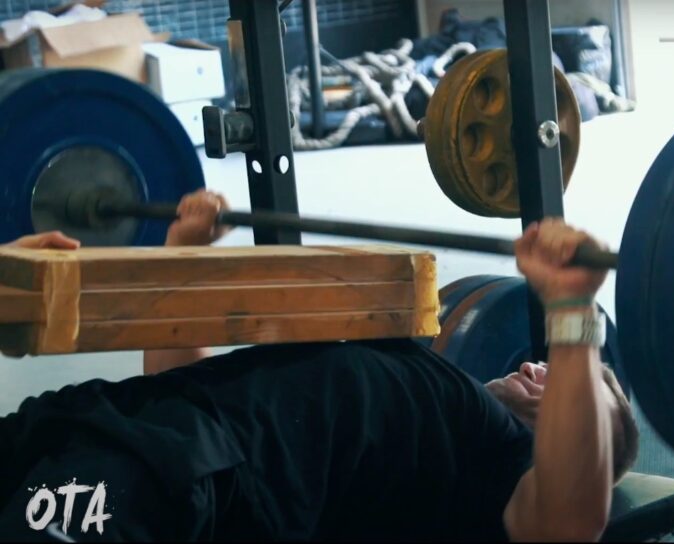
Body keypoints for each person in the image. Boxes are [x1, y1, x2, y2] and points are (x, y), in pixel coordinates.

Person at [0, 190, 639, 542]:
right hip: (92, 430)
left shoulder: (492, 468)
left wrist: (574, 310)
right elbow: (174, 386)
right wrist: (185, 257)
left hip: (162, 485)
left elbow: (569, 517)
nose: (538, 369)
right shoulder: (427, 383)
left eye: (574, 392)